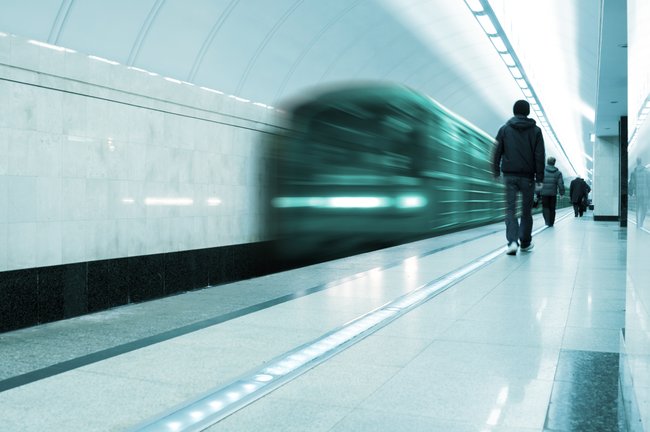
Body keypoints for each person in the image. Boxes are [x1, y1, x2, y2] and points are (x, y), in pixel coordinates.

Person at [492, 99, 545, 255]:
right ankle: (525, 242)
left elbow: (496, 152)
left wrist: (495, 172)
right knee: (526, 212)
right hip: (528, 178)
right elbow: (539, 156)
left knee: (510, 210)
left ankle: (512, 242)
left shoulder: (504, 129)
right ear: (528, 112)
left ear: (514, 111)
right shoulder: (536, 131)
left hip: (509, 176)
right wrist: (539, 179)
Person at [540, 156, 565, 226]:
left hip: (544, 193)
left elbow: (539, 182)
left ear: (547, 162)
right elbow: (560, 184)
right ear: (554, 163)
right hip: (553, 193)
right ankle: (551, 222)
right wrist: (562, 193)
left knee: (545, 207)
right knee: (552, 208)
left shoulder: (542, 171)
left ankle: (547, 221)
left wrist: (537, 193)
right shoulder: (558, 173)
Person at [629, 157, 649, 227]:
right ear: (641, 161)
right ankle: (641, 222)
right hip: (645, 194)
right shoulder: (647, 172)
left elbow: (631, 184)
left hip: (637, 193)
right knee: (644, 208)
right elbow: (649, 183)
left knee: (638, 208)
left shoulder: (633, 172)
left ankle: (638, 223)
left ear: (637, 162)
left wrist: (630, 193)